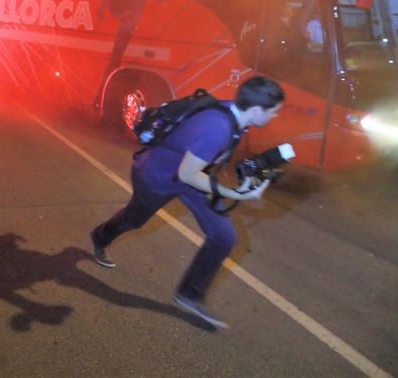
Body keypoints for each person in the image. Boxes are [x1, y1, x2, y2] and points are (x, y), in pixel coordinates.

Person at [89, 76, 285, 330]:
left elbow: (205, 163)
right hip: (157, 176)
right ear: (257, 110)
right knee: (133, 220)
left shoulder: (234, 118)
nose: (275, 117)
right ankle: (100, 237)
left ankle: (190, 294)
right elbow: (187, 173)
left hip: (189, 178)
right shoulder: (219, 127)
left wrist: (247, 176)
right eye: (274, 112)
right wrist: (236, 194)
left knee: (223, 236)